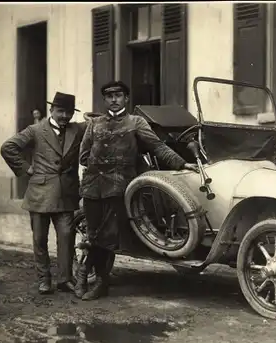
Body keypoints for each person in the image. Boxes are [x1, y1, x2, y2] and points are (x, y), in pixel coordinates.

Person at [77, 80, 198, 300]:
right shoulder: (94, 124)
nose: (114, 100)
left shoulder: (136, 122)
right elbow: (83, 156)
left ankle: (99, 282)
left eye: (119, 96)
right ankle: (84, 274)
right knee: (93, 232)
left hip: (119, 185)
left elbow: (157, 146)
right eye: (109, 96)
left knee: (107, 236)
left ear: (126, 99)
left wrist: (180, 163)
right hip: (93, 186)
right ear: (104, 100)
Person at [1, 92, 86, 294]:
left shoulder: (77, 129)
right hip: (39, 194)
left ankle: (65, 279)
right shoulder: (36, 130)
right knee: (40, 239)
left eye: (69, 112)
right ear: (51, 111)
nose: (65, 116)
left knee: (66, 238)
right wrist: (26, 169)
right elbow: (8, 147)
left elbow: (97, 123)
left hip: (66, 195)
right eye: (60, 111)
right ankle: (44, 279)